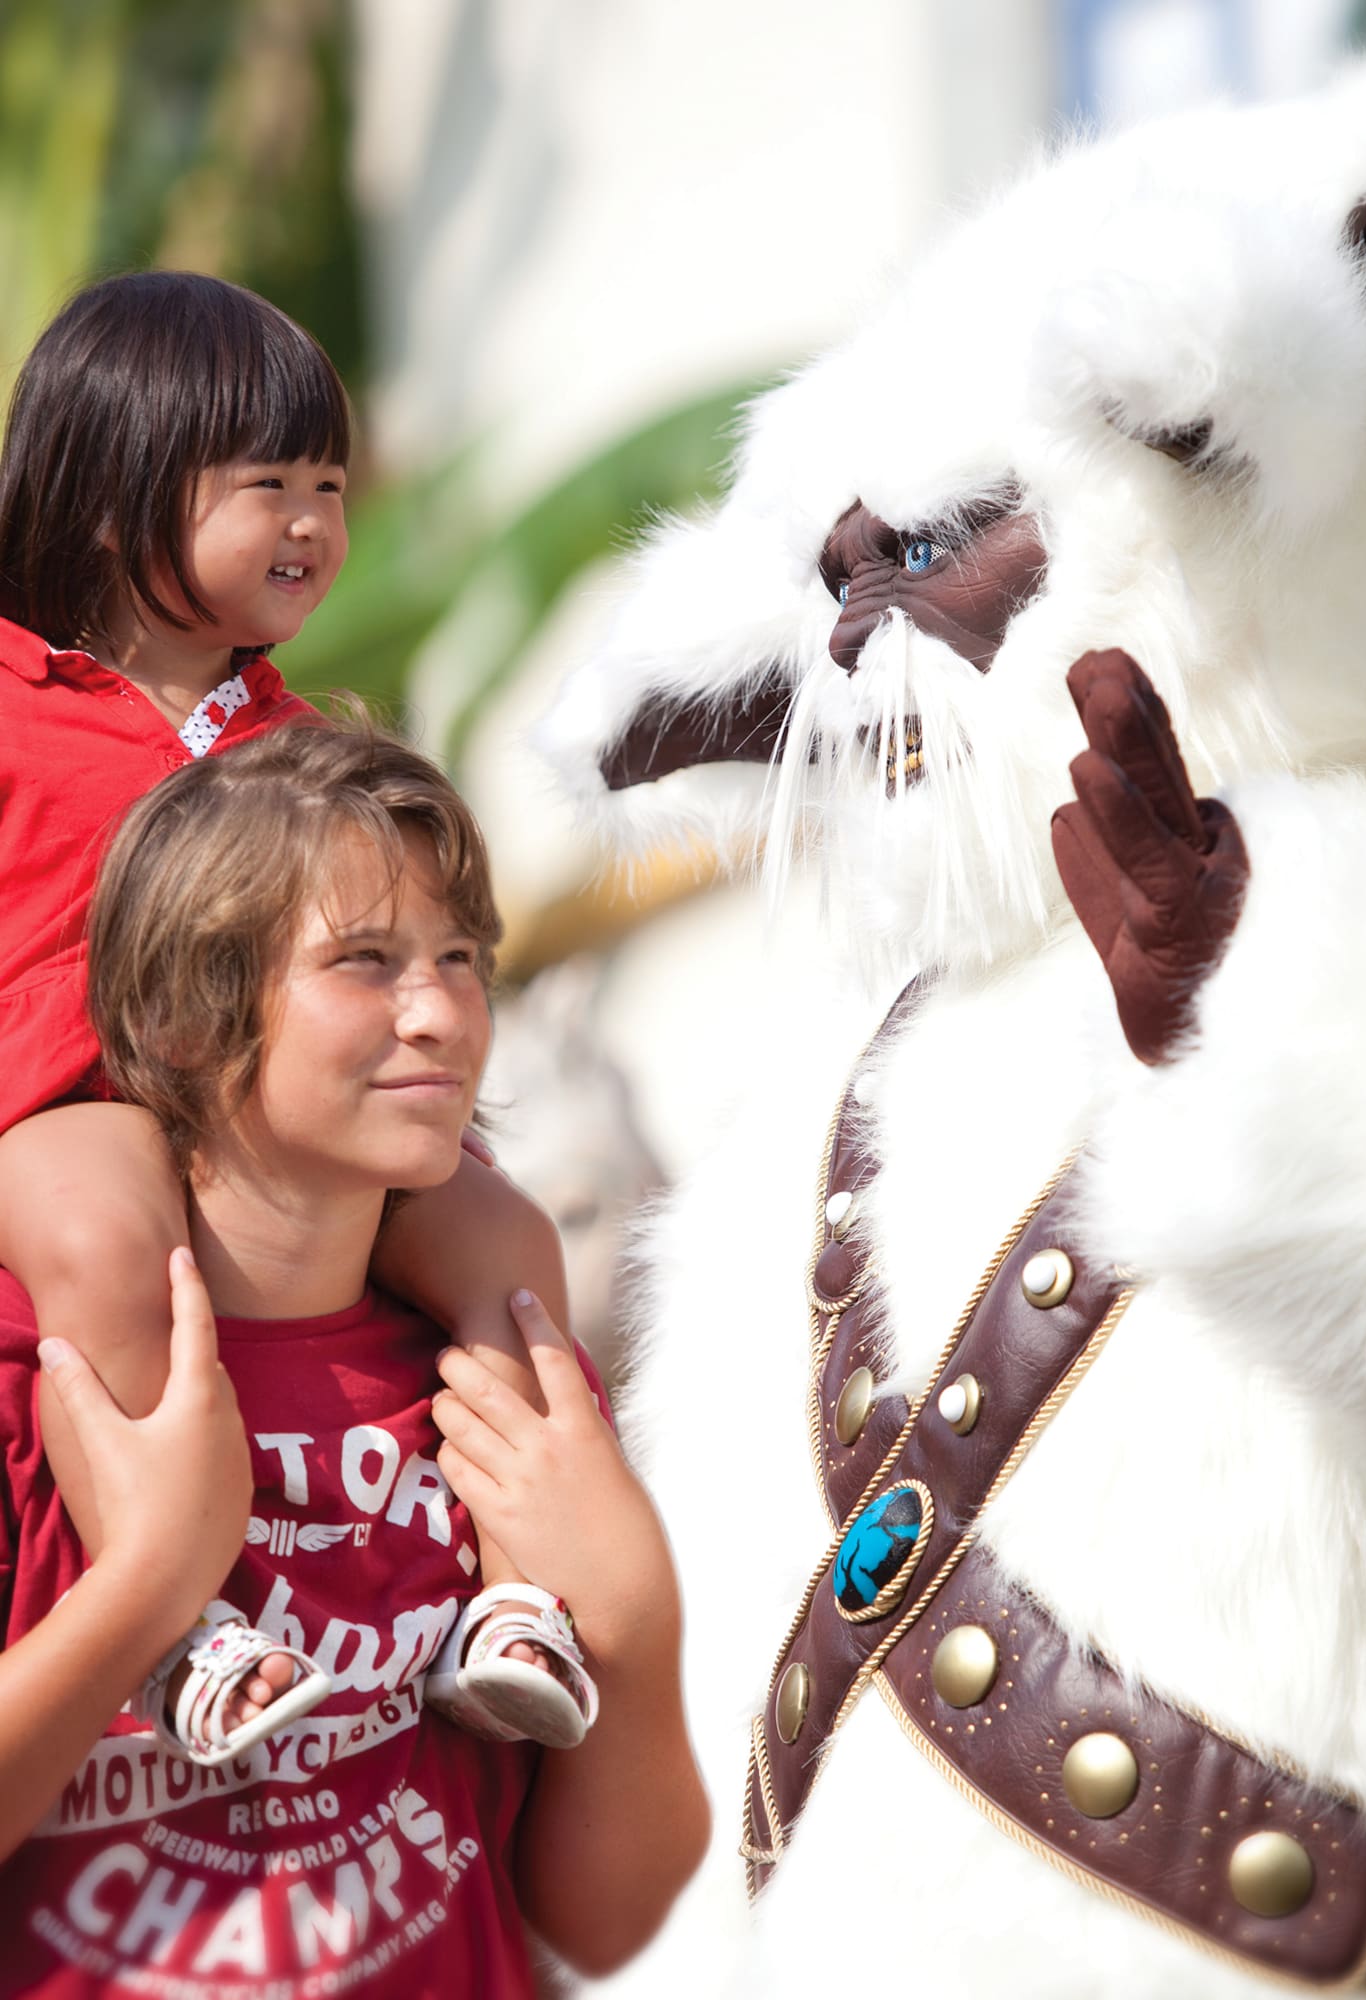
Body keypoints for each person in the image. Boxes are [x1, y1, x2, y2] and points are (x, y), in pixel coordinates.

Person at [0, 719, 709, 1993]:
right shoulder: (32, 1378)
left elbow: (605, 1919)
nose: (440, 1011)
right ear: (175, 1021)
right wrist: (149, 1581)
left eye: (457, 956)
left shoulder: (490, 1378)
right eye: (364, 962)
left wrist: (636, 1623)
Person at [0, 270, 597, 1758]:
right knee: (96, 1235)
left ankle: (519, 1597)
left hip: (277, 1105)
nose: (314, 523)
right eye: (265, 485)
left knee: (506, 1240)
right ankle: (177, 1617)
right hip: (69, 1098)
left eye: (328, 483)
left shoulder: (300, 741)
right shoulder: (10, 708)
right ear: (104, 499)